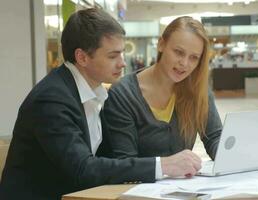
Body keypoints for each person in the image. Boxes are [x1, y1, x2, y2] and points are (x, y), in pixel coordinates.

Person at [0, 9, 194, 200]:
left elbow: (108, 160)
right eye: (112, 56)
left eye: (122, 54)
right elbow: (82, 168)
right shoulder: (52, 99)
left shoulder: (93, 93)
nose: (122, 63)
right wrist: (163, 166)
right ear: (82, 57)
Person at [104, 16, 222, 179]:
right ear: (161, 44)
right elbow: (125, 162)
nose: (185, 63)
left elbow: (214, 137)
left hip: (182, 190)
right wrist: (165, 165)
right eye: (178, 52)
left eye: (193, 57)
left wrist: (237, 157)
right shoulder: (123, 94)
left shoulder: (197, 90)